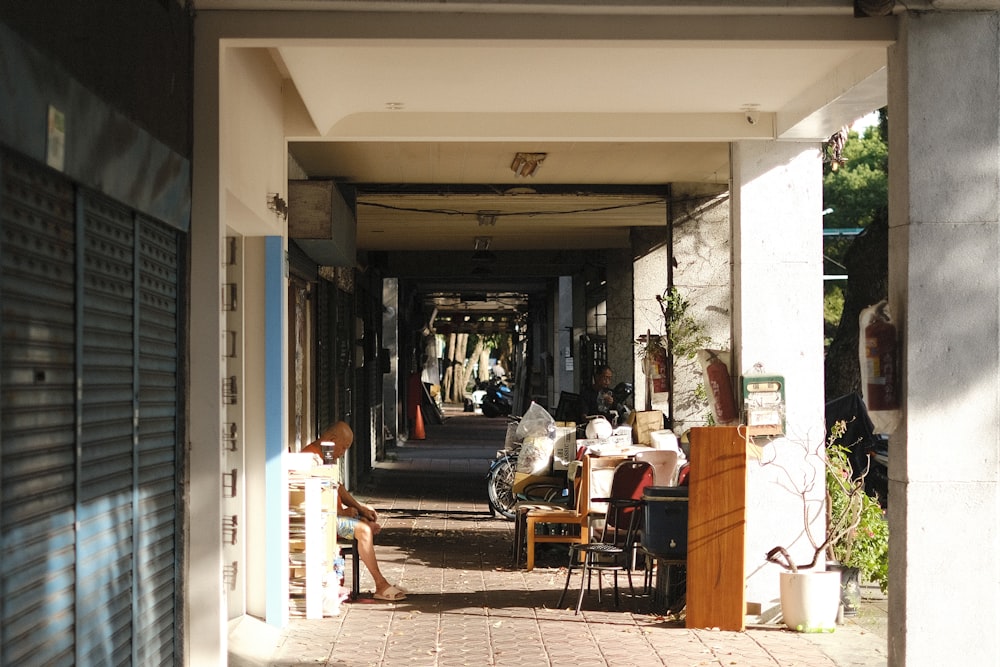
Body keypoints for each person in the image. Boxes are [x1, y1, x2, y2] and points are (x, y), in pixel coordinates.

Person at [303, 421, 407, 602]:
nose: (343, 453)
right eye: (342, 448)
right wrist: (342, 513)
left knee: (368, 525)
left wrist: (361, 509)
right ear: (332, 440)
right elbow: (311, 500)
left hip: (334, 516)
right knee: (364, 531)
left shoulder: (327, 458)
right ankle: (380, 584)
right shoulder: (310, 458)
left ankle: (380, 583)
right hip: (322, 521)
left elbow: (338, 487)